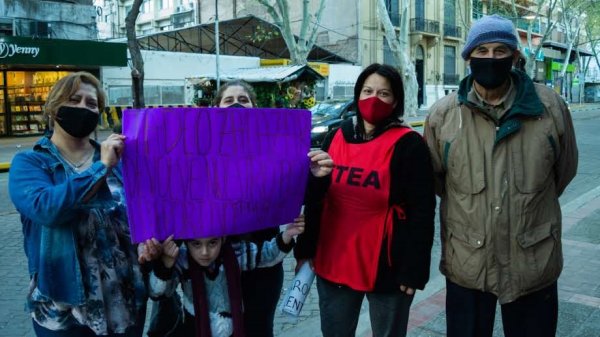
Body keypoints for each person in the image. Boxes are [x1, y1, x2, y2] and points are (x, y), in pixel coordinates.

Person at [424, 14, 578, 337]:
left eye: (499, 50)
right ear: (468, 58)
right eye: (481, 51)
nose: (490, 59)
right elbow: (439, 182)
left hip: (532, 266)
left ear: (515, 57)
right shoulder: (443, 116)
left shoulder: (550, 109)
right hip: (468, 266)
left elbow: (563, 172)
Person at [8, 71, 157, 336]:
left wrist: (146, 241)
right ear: (54, 108)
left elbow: (140, 212)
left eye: (91, 104)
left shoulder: (121, 161)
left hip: (125, 299)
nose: (82, 108)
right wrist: (100, 168)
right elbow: (46, 209)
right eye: (74, 100)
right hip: (65, 309)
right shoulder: (30, 163)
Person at [295, 63, 436, 337]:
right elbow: (316, 199)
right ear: (357, 95)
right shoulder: (336, 136)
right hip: (333, 259)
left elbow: (423, 212)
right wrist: (304, 249)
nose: (374, 99)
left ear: (396, 101)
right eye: (367, 91)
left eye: (384, 93)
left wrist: (414, 270)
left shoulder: (409, 145)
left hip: (388, 268)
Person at [142, 217, 306, 337]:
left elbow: (266, 255)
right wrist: (165, 265)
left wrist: (287, 236)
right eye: (196, 244)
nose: (205, 252)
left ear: (223, 238)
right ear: (186, 242)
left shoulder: (234, 255)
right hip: (196, 329)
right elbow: (158, 293)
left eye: (212, 243)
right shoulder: (183, 261)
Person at [214, 80, 286, 337]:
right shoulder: (199, 154)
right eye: (228, 100)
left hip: (263, 264)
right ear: (216, 109)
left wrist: (316, 175)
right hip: (216, 263)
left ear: (255, 108)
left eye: (243, 100)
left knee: (259, 328)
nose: (236, 105)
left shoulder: (275, 150)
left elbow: (298, 188)